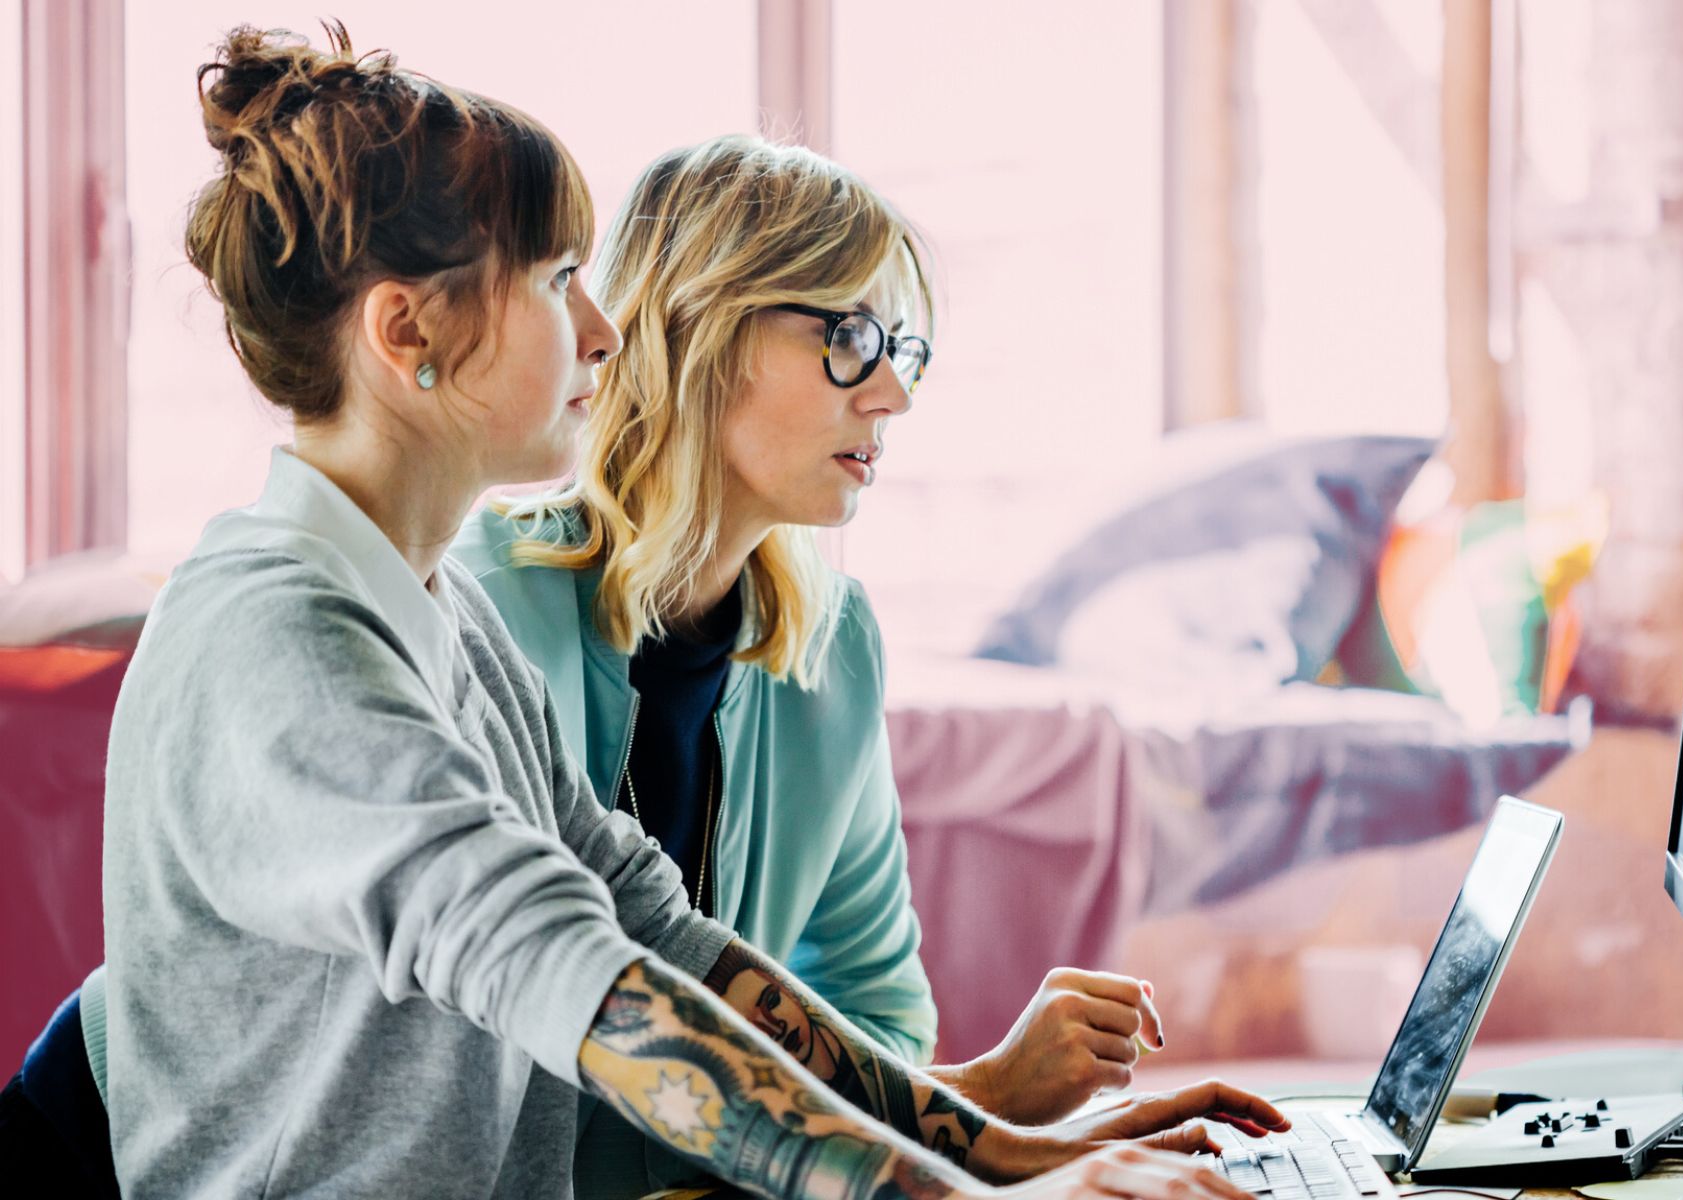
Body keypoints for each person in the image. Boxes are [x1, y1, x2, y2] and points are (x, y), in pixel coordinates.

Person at [77, 24, 1283, 1198]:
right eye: (559, 283)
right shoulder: (283, 636)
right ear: (409, 334)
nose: (606, 330)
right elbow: (559, 963)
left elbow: (654, 928)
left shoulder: (439, 617)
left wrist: (1006, 1149)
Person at [448, 135, 1195, 1195]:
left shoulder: (832, 645)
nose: (892, 391)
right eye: (848, 336)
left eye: (901, 347)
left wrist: (987, 1119)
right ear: (700, 327)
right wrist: (980, 1114)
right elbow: (521, 1066)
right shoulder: (479, 608)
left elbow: (872, 1012)